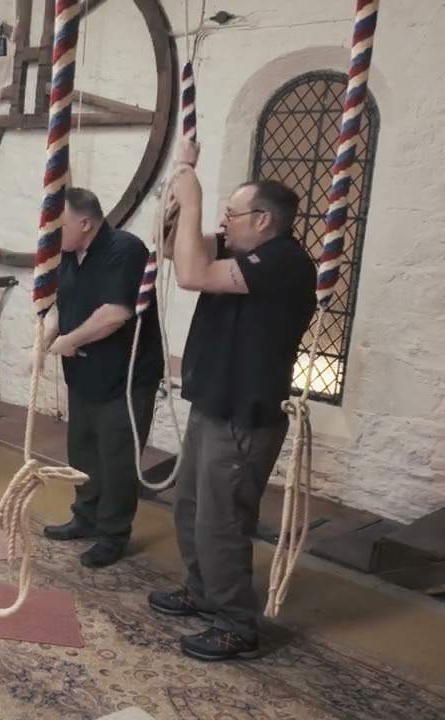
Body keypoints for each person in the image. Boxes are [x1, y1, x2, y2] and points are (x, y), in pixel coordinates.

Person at [147, 140, 317, 661]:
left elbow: (196, 278)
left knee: (222, 520)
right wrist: (179, 180)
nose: (225, 221)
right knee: (192, 508)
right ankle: (203, 593)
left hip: (246, 412)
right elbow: (177, 253)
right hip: (213, 401)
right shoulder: (242, 251)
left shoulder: (284, 261)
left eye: (232, 214)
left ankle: (236, 625)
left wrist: (195, 193)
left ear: (263, 219)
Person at [39, 187, 165, 568]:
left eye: (58, 225)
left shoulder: (125, 250)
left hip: (122, 379)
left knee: (117, 459)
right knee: (84, 451)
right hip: (84, 375)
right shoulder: (69, 256)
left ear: (86, 223)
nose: (50, 233)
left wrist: (69, 340)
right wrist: (42, 346)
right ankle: (86, 517)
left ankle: (113, 534)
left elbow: (116, 313)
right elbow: (60, 305)